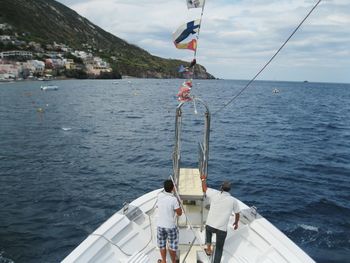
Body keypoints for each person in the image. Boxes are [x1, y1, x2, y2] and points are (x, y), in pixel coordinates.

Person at [205, 181, 240, 263]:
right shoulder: (233, 200)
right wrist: (236, 222)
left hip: (210, 226)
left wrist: (203, 179)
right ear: (229, 190)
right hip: (221, 229)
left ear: (221, 188)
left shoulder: (214, 194)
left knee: (208, 230)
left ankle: (209, 249)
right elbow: (237, 213)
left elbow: (204, 188)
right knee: (219, 249)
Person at [157, 179, 182, 263]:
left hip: (160, 226)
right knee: (172, 246)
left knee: (162, 245)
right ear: (173, 188)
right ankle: (173, 262)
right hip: (170, 226)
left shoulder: (159, 195)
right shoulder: (174, 199)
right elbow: (179, 213)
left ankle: (164, 261)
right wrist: (179, 204)